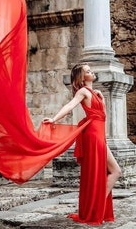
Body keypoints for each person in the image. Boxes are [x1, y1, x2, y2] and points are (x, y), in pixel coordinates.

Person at [43, 63, 122, 225]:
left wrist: (102, 100)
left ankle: (95, 208)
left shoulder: (94, 93)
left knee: (110, 171)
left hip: (99, 135)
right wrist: (54, 119)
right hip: (94, 136)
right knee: (115, 171)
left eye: (90, 70)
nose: (91, 72)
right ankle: (96, 208)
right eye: (87, 71)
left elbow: (103, 116)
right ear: (82, 77)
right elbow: (70, 106)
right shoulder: (83, 91)